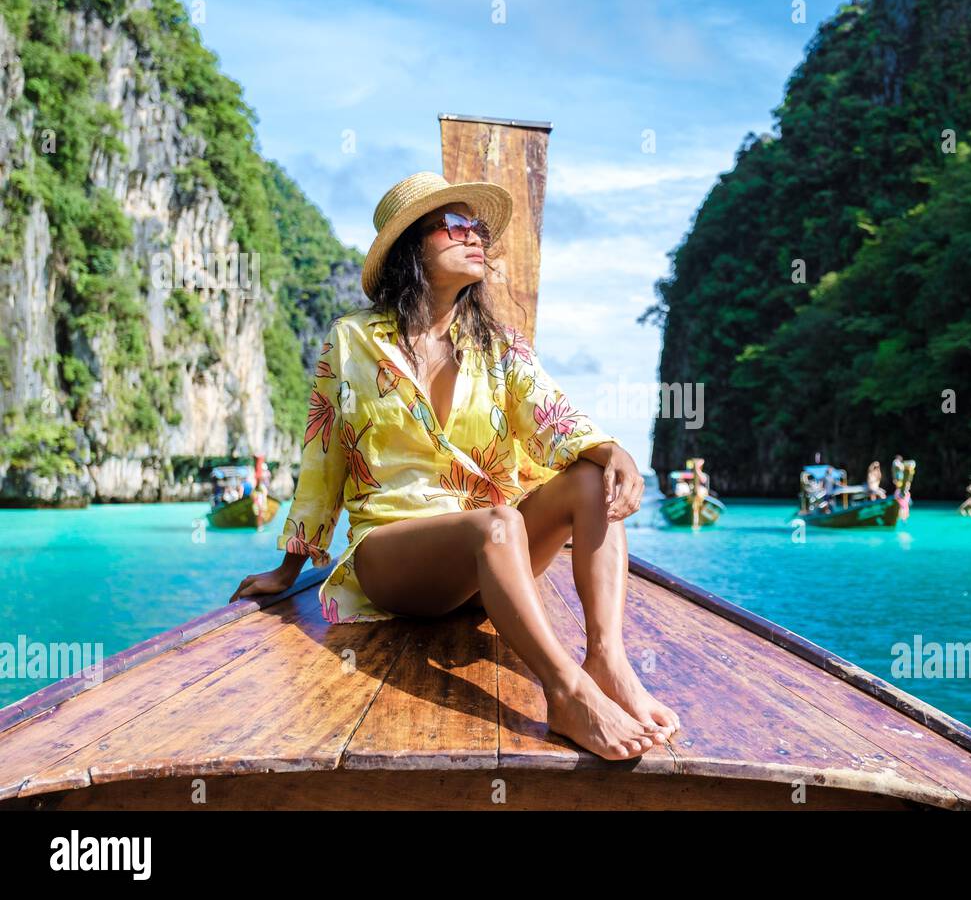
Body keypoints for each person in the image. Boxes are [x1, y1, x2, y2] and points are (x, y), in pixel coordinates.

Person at [228, 171, 677, 761]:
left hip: (490, 563)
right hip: (395, 556)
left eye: (480, 229)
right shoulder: (354, 342)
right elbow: (323, 456)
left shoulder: (497, 346)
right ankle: (566, 692)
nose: (476, 238)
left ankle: (606, 659)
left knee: (591, 478)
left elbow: (556, 418)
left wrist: (613, 451)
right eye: (456, 225)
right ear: (412, 244)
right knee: (495, 522)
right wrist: (287, 571)